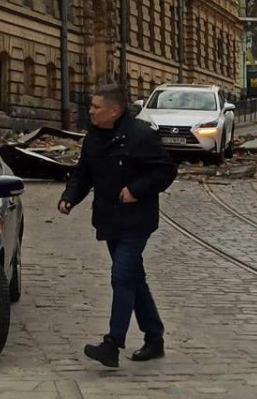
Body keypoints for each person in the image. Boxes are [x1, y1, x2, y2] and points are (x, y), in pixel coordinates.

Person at [58, 84, 177, 369]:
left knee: (122, 275)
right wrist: (69, 197)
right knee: (133, 278)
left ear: (114, 111)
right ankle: (154, 338)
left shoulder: (140, 135)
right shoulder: (93, 138)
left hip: (137, 219)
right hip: (109, 218)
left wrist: (136, 189)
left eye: (96, 107)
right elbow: (83, 174)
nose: (90, 111)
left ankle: (112, 344)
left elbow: (165, 170)